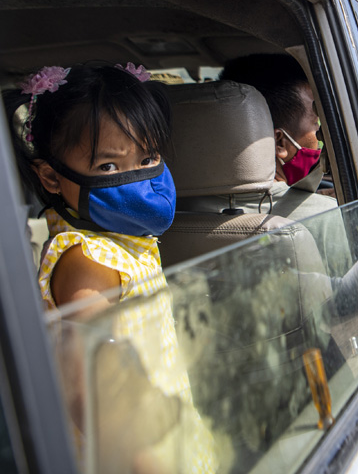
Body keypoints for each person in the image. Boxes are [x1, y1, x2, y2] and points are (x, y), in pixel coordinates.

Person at [4, 63, 217, 473]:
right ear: (50, 176)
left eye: (149, 157)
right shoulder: (88, 260)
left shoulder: (124, 242)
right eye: (108, 167)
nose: (139, 179)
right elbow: (92, 390)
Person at [219, 53, 352, 275]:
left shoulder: (175, 213)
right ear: (280, 142)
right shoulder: (324, 217)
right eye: (316, 123)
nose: (320, 138)